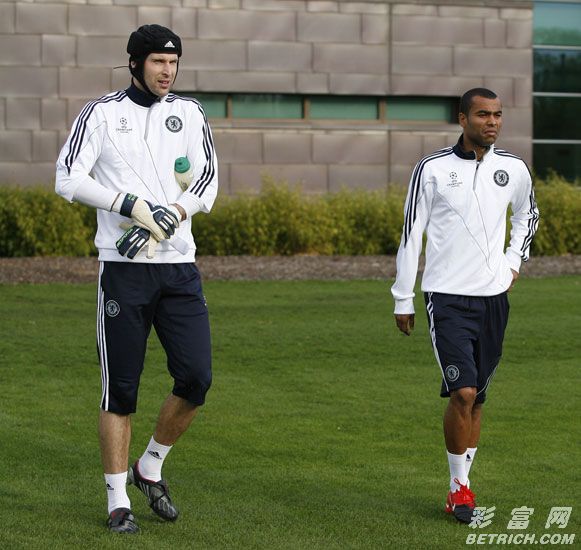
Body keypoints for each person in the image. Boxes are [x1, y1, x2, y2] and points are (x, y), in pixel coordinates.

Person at [55, 24, 218, 533]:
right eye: (158, 62)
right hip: (123, 272)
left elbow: (207, 179)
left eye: (174, 62)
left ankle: (149, 466)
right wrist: (130, 205)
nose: (168, 72)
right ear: (134, 63)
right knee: (120, 390)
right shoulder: (101, 114)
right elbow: (67, 178)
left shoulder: (190, 113)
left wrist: (174, 212)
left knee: (196, 378)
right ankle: (117, 501)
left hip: (179, 269)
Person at [391, 88, 539, 523]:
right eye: (482, 115)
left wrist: (513, 262)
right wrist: (403, 297)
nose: (492, 122)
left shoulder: (513, 168)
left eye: (497, 115)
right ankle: (459, 488)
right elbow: (411, 233)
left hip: (494, 299)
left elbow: (527, 215)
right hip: (446, 297)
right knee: (463, 392)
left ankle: (463, 483)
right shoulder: (432, 169)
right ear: (462, 119)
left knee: (478, 399)